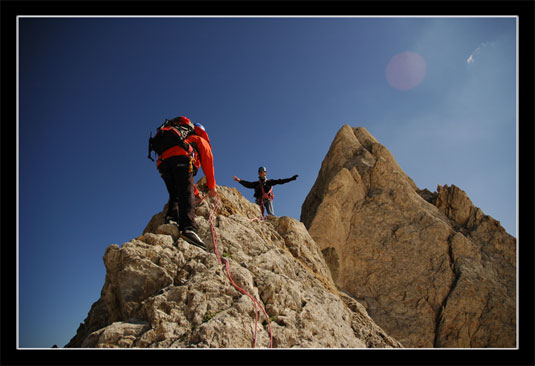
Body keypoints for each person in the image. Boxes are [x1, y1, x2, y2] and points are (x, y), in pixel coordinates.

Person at [155, 116, 217, 250]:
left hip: (163, 163)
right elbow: (208, 162)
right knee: (185, 193)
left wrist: (195, 192)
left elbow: (187, 184)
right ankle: (189, 229)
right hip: (181, 160)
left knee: (175, 193)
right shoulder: (199, 139)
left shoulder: (181, 138)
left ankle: (171, 220)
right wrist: (212, 187)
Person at [233, 166, 298, 218]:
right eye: (260, 172)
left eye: (263, 172)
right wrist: (239, 180)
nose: (261, 173)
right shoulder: (256, 184)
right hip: (259, 201)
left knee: (271, 215)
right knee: (258, 216)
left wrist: (291, 179)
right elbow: (248, 184)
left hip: (268, 200)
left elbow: (280, 181)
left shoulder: (269, 182)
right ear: (259, 173)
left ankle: (272, 222)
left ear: (265, 173)